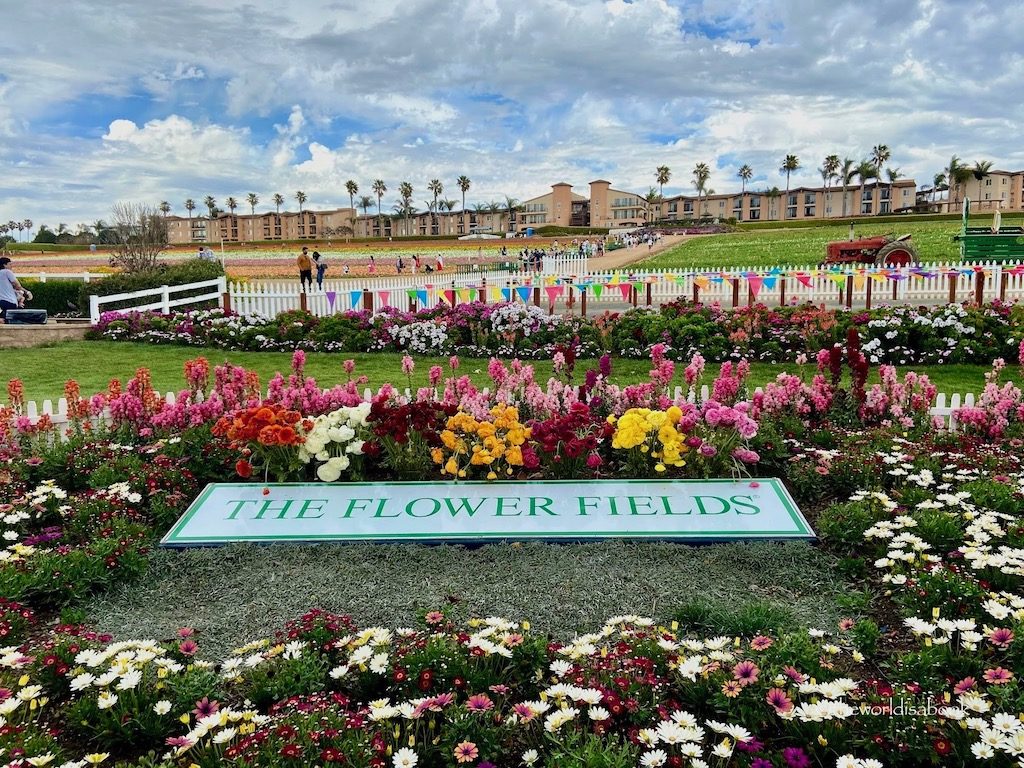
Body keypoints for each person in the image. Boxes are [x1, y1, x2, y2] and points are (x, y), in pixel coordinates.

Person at [0, 257, 30, 323]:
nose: (11, 266)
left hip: (1, 302)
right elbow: (18, 286)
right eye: (10, 264)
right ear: (4, 265)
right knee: (10, 321)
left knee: (3, 320)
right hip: (9, 302)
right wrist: (27, 292)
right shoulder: (7, 272)